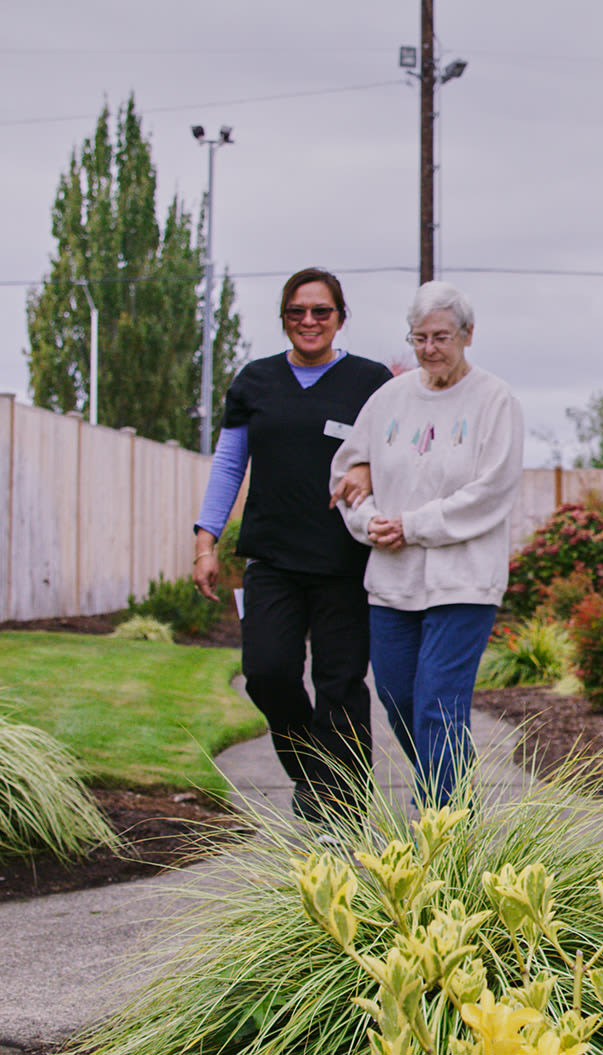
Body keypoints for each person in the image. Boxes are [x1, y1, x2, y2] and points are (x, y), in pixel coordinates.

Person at [192, 267, 394, 826]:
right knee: (269, 673)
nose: (309, 321)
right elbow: (230, 464)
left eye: (320, 311)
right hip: (273, 559)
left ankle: (345, 807)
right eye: (297, 312)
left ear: (340, 318)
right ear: (283, 318)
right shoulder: (255, 382)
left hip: (343, 561)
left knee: (340, 685)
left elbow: (393, 453)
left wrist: (370, 471)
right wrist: (205, 543)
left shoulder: (370, 381)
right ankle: (312, 773)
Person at [329, 281, 524, 807]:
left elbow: (492, 492)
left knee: (438, 705)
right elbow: (346, 475)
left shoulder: (495, 399)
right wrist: (368, 521)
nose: (429, 348)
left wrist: (412, 525)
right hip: (393, 580)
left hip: (464, 582)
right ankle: (454, 793)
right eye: (419, 338)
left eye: (441, 337)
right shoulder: (389, 398)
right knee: (398, 701)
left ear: (467, 335)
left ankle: (441, 825)